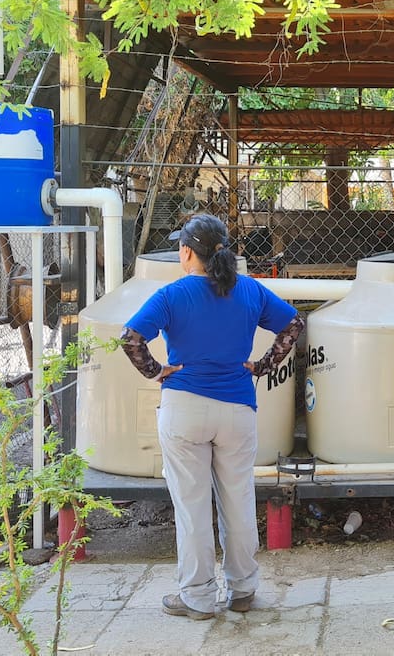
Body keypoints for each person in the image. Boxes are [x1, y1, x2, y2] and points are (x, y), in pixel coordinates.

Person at [120, 213, 303, 620]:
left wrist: (157, 371)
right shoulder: (250, 290)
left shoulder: (172, 295)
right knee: (237, 500)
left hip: (184, 409)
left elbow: (130, 338)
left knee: (192, 507)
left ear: (186, 252)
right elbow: (293, 323)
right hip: (238, 408)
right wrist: (262, 365)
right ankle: (242, 590)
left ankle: (198, 598)